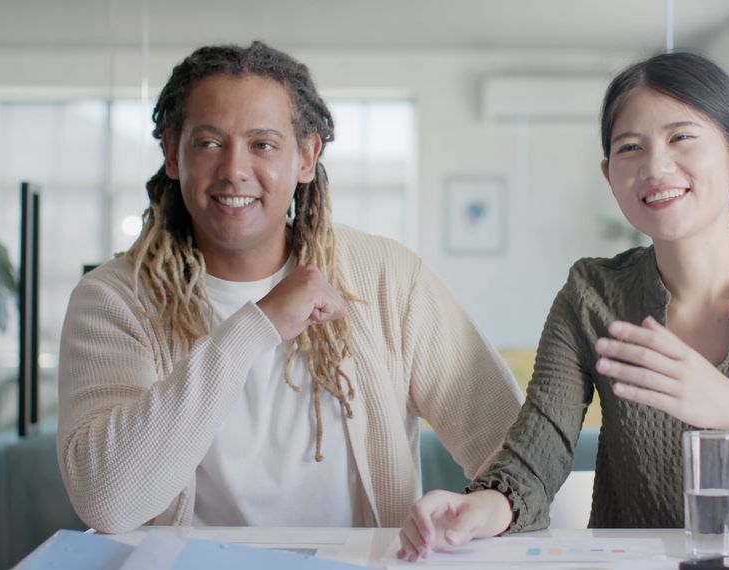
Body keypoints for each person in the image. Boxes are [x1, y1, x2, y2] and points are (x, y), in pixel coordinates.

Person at [398, 52, 729, 560]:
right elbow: (535, 456)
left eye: (681, 137)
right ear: (609, 173)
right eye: (630, 148)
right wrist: (484, 507)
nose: (655, 167)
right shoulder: (592, 294)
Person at [56, 41, 522, 534]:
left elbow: (515, 451)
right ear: (173, 153)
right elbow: (108, 502)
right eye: (209, 142)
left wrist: (478, 512)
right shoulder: (113, 300)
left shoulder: (388, 277)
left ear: (306, 156)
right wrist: (257, 325)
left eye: (263, 145)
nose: (234, 169)